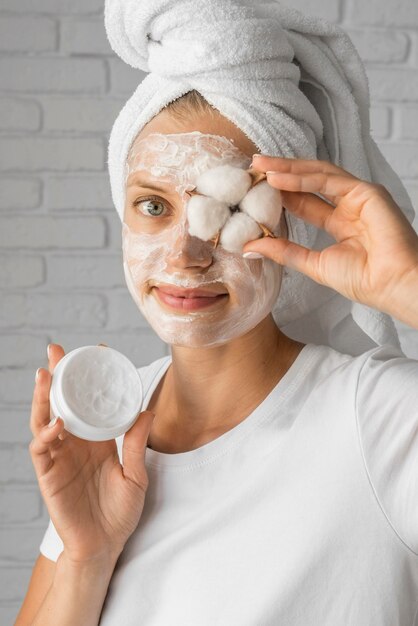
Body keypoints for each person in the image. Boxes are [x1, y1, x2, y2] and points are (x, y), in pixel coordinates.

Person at [16, 1, 418, 624]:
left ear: (291, 219)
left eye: (228, 207)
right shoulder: (106, 434)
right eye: (153, 207)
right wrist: (86, 556)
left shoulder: (377, 421)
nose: (186, 251)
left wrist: (410, 285)